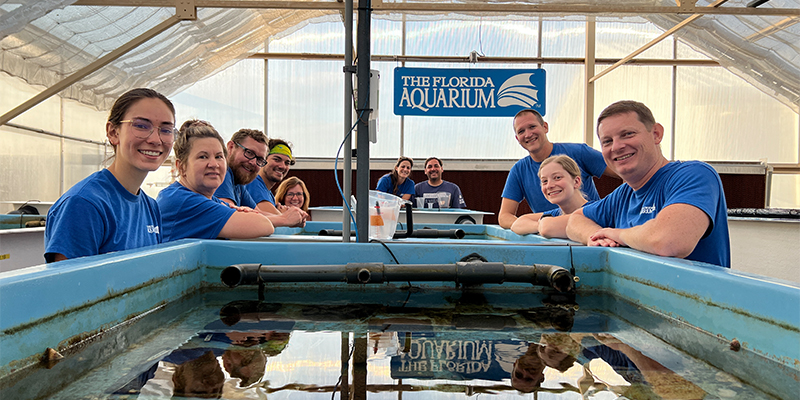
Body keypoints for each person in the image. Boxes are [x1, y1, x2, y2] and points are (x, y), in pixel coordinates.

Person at [566, 100, 731, 268]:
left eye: (627, 134)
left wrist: (618, 234)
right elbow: (575, 220)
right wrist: (594, 237)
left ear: (656, 134)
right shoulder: (623, 195)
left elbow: (669, 241)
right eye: (607, 141)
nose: (616, 147)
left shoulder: (694, 175)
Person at [44, 88, 176, 262]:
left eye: (166, 130)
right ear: (113, 133)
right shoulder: (84, 204)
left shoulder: (150, 206)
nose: (155, 139)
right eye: (141, 126)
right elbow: (68, 285)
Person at [156, 120, 275, 241]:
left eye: (218, 157)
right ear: (181, 167)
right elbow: (264, 225)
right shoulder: (183, 200)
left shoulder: (208, 199)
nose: (214, 164)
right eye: (203, 156)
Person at [499, 109, 615, 229]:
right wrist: (541, 227)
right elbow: (505, 217)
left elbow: (625, 172)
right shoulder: (519, 171)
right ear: (517, 138)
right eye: (544, 181)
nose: (528, 134)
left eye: (558, 177)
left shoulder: (580, 152)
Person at [510, 155, 589, 238]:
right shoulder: (556, 214)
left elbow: (546, 229)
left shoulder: (594, 210)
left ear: (576, 182)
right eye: (544, 181)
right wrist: (540, 225)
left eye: (557, 177)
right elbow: (517, 224)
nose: (549, 186)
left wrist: (547, 226)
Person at [245, 138, 308, 226]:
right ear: (263, 160)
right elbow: (280, 219)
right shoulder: (254, 183)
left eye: (287, 163)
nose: (282, 166)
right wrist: (284, 214)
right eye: (277, 159)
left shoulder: (268, 193)